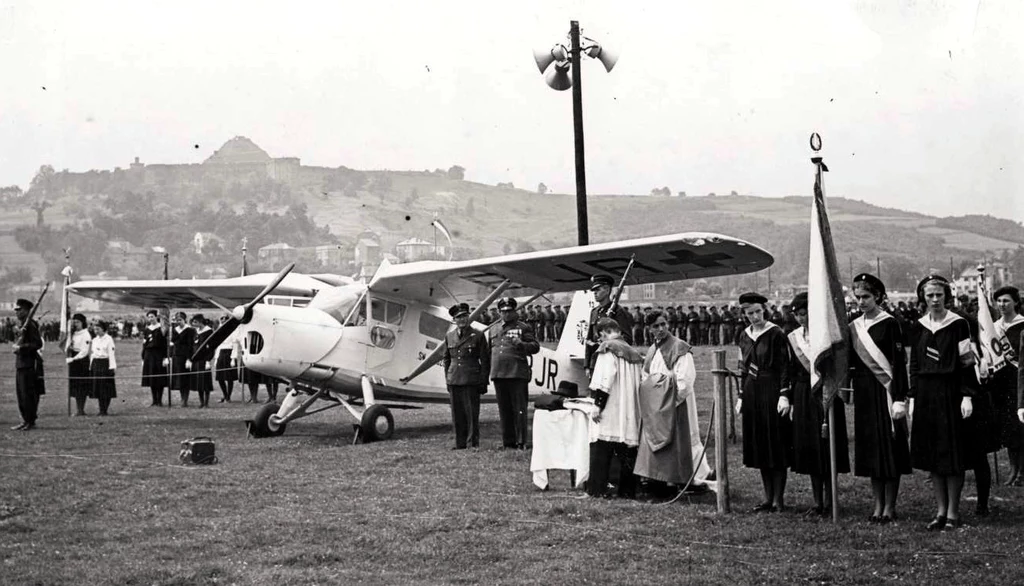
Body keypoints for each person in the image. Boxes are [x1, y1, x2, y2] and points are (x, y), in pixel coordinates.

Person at [909, 275, 977, 531]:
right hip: (926, 393)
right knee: (933, 453)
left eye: (939, 295)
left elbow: (966, 360)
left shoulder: (958, 324)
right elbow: (914, 363)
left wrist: (967, 394)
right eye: (930, 296)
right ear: (922, 298)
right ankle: (939, 511)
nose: (935, 300)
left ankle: (953, 512)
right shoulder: (918, 327)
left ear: (946, 296)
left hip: (950, 391)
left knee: (952, 452)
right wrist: (913, 396)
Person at [848, 274, 911, 523]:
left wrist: (899, 397)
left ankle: (890, 506)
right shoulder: (854, 326)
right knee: (873, 447)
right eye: (858, 297)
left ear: (878, 297)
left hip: (886, 391)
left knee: (890, 447)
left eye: (866, 297)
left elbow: (898, 364)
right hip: (864, 393)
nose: (862, 301)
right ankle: (877, 505)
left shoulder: (890, 323)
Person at [785, 293, 850, 516]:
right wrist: (791, 399)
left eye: (805, 314)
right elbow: (792, 370)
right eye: (797, 315)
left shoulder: (827, 336)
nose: (801, 319)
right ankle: (817, 501)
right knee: (811, 448)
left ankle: (832, 499)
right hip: (804, 393)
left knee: (828, 446)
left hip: (827, 391)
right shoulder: (793, 337)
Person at [736, 292, 792, 512]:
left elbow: (785, 366)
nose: (755, 316)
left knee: (775, 443)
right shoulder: (744, 335)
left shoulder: (776, 333)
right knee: (760, 444)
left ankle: (779, 498)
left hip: (771, 389)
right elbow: (742, 365)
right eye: (750, 313)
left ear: (764, 310)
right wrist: (741, 394)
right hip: (752, 390)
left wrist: (784, 394)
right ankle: (767, 497)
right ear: (744, 314)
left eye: (758, 311)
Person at [634, 310, 699, 499]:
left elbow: (685, 381)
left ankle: (675, 481)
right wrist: (654, 403)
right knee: (655, 443)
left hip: (674, 404)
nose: (661, 329)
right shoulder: (653, 350)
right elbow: (646, 378)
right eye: (656, 326)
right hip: (656, 406)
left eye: (663, 324)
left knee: (675, 442)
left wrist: (670, 402)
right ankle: (657, 480)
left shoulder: (679, 347)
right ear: (649, 329)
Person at [587, 317, 643, 499]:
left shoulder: (607, 349)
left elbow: (605, 379)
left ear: (603, 332)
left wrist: (598, 405)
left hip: (611, 405)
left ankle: (596, 489)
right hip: (629, 408)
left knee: (601, 446)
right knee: (627, 449)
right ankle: (627, 491)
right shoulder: (632, 351)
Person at [489, 297, 540, 449]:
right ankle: (508, 442)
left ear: (514, 311)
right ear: (499, 312)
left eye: (509, 311)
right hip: (499, 373)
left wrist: (522, 344)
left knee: (519, 408)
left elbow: (535, 347)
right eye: (503, 311)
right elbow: (489, 351)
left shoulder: (523, 327)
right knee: (504, 409)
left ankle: (521, 441)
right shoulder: (493, 329)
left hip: (517, 373)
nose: (506, 314)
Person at [442, 303, 490, 449]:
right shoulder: (449, 336)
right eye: (459, 317)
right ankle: (460, 443)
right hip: (454, 378)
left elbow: (485, 360)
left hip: (471, 379)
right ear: (454, 320)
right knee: (457, 414)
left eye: (464, 316)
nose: (462, 320)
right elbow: (447, 359)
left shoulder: (478, 335)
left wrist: (483, 381)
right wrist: (448, 379)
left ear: (468, 317)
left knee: (471, 414)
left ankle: (472, 443)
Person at [989, 286, 1024, 485]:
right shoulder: (994, 327)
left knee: (1021, 426)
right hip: (1002, 382)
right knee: (1009, 427)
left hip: (1019, 382)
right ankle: (1013, 468)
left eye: (1006, 301)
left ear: (1016, 303)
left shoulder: (1022, 325)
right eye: (999, 301)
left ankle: (1022, 471)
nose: (1002, 305)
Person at [585, 274, 633, 376]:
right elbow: (588, 339)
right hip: (595, 362)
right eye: (594, 290)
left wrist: (609, 342)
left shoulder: (618, 311)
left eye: (598, 289)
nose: (595, 292)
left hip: (611, 362)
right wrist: (587, 365)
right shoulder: (594, 312)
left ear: (607, 290)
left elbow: (627, 339)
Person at [11, 298, 44, 430]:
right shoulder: (23, 325)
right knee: (21, 394)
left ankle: (30, 421)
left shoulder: (30, 325)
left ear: (26, 311)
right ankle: (25, 420)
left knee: (28, 394)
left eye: (19, 310)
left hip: (30, 364)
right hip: (21, 363)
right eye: (16, 310)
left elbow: (37, 344)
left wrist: (21, 348)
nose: (17, 312)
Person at [65, 313, 92, 416]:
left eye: (78, 322)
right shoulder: (74, 334)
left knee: (81, 386)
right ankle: (78, 408)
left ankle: (81, 409)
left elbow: (84, 351)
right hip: (74, 360)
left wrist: (73, 359)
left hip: (81, 361)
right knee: (75, 386)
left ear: (83, 323)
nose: (76, 324)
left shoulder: (86, 334)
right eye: (74, 322)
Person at [89, 320, 117, 416]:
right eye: (95, 329)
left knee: (106, 388)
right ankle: (101, 409)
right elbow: (92, 354)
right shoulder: (94, 340)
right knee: (98, 388)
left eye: (98, 329)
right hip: (96, 363)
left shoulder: (108, 339)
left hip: (105, 363)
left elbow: (111, 354)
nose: (96, 331)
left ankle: (105, 409)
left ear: (103, 329)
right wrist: (90, 366)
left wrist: (112, 367)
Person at [140, 309, 168, 406]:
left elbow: (165, 344)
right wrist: (143, 357)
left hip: (158, 354)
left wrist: (165, 357)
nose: (150, 319)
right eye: (149, 317)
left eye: (152, 316)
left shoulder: (161, 328)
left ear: (156, 317)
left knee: (159, 377)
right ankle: (154, 400)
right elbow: (144, 344)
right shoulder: (147, 329)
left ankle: (159, 400)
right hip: (149, 354)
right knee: (152, 377)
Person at [168, 311, 195, 406]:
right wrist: (170, 355)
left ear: (185, 320)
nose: (178, 321)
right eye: (177, 320)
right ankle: (181, 399)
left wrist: (189, 359)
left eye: (180, 320)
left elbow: (191, 346)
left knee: (185, 379)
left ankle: (185, 400)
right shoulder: (175, 330)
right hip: (176, 357)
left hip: (184, 357)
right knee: (178, 379)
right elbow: (172, 344)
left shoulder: (190, 330)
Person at [214, 316, 241, 403]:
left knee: (229, 377)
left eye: (225, 320)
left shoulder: (233, 331)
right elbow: (218, 346)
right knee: (220, 377)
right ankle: (225, 395)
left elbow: (235, 345)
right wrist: (216, 358)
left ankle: (228, 396)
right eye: (221, 320)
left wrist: (233, 358)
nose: (223, 321)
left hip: (229, 354)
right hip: (221, 354)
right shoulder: (220, 331)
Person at [191, 315, 215, 408]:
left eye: (195, 322)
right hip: (197, 359)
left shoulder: (208, 331)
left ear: (200, 322)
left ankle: (206, 402)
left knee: (205, 382)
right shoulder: (196, 332)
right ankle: (201, 402)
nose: (194, 324)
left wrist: (208, 360)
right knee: (198, 382)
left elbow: (211, 347)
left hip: (204, 359)